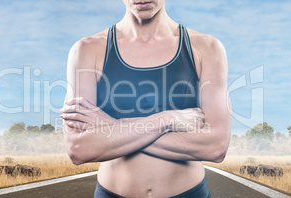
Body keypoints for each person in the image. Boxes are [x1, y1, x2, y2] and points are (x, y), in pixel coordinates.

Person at [60, 0, 231, 197]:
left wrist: (111, 126)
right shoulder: (86, 50)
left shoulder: (207, 48)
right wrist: (167, 120)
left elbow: (215, 147)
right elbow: (78, 148)